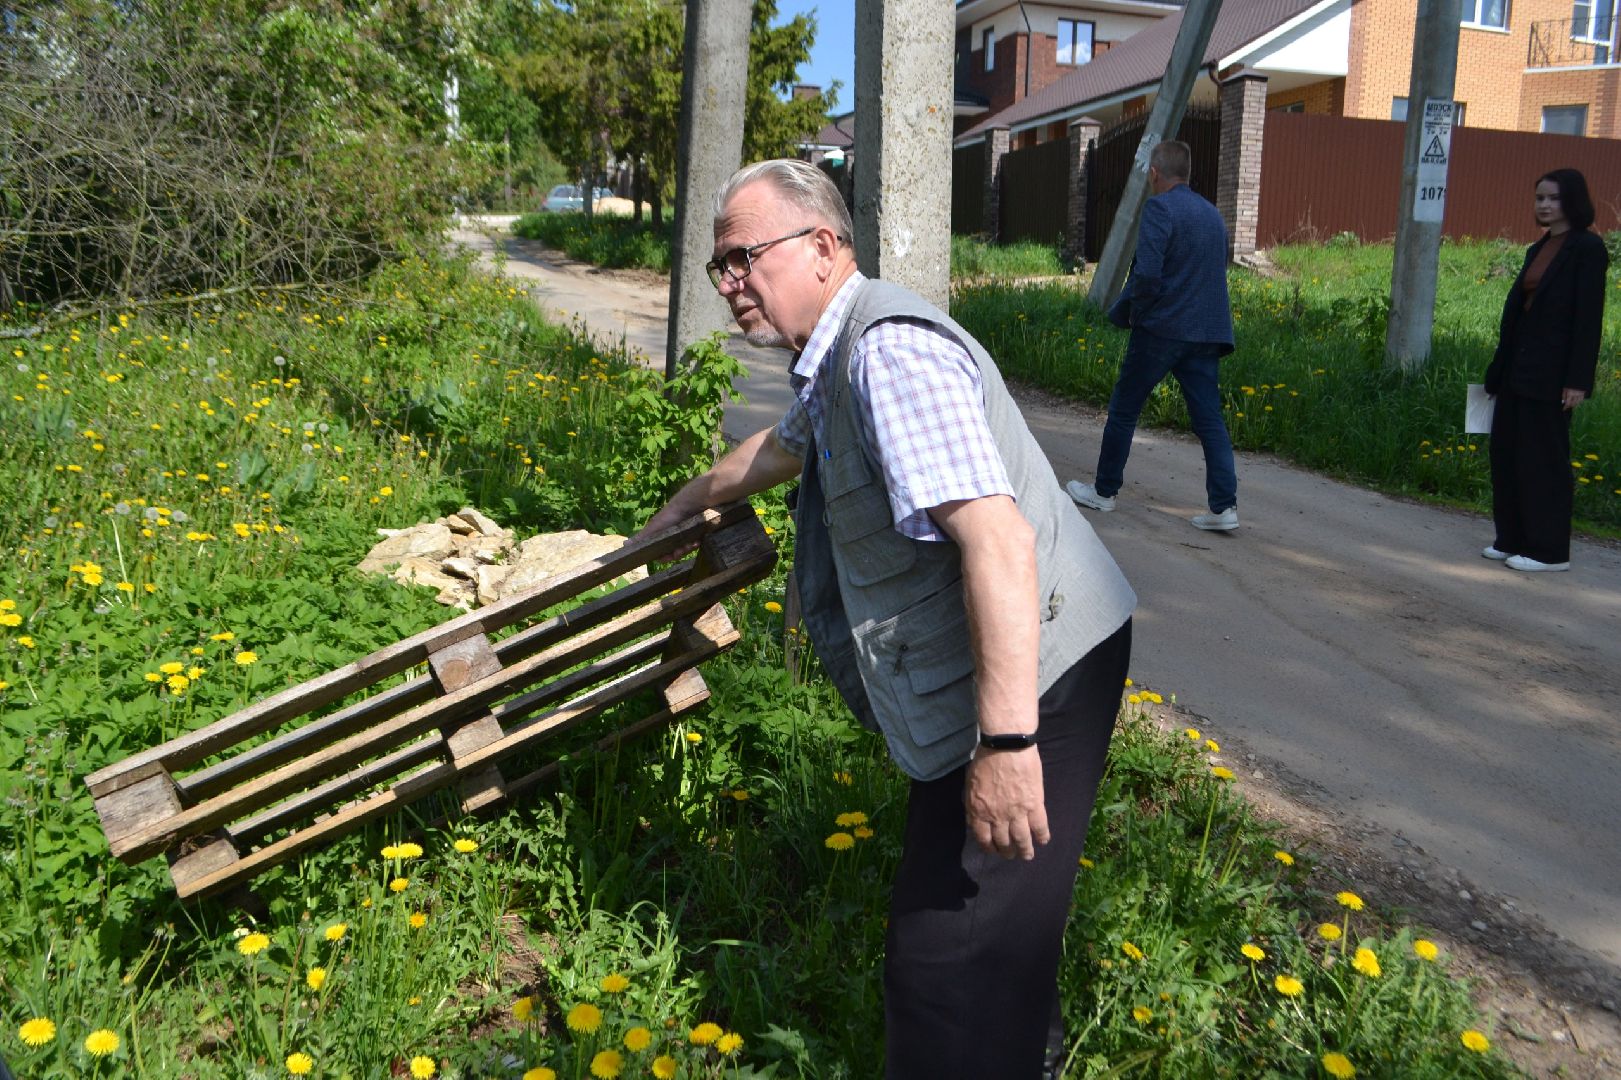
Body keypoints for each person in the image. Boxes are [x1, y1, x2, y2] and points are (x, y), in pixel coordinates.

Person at [636, 159, 1136, 1078]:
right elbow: (779, 448)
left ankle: (1000, 1049)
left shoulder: (887, 355)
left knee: (945, 958)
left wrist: (1010, 745)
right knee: (984, 924)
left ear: (823, 247)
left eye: (743, 256)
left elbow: (997, 542)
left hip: (1043, 667)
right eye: (720, 267)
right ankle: (1025, 1047)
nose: (730, 283)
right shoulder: (833, 360)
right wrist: (680, 507)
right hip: (996, 665)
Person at [1064, 140, 1239, 531]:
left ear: (1155, 173)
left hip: (1162, 329)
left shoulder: (1159, 208)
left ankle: (1104, 493)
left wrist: (1138, 314)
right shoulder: (1213, 215)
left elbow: (1148, 274)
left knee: (1125, 409)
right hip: (1207, 333)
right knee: (1209, 419)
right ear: (1188, 174)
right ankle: (1224, 508)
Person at [1482, 167, 1608, 573]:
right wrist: (1498, 371)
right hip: (1519, 371)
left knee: (1543, 461)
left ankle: (1549, 551)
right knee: (1507, 455)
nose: (1545, 205)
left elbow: (1587, 320)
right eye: (1540, 198)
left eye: (1553, 198)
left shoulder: (1587, 249)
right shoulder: (1538, 249)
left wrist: (1578, 381)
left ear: (1572, 200)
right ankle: (1512, 539)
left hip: (1553, 377)